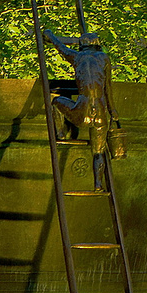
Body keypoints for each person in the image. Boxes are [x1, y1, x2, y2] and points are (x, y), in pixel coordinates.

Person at [43, 29, 119, 191]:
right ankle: (98, 184)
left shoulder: (77, 57)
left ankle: (61, 134)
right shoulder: (104, 58)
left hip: (82, 111)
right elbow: (108, 87)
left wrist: (50, 35)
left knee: (56, 102)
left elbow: (61, 48)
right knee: (98, 152)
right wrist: (113, 111)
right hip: (100, 113)